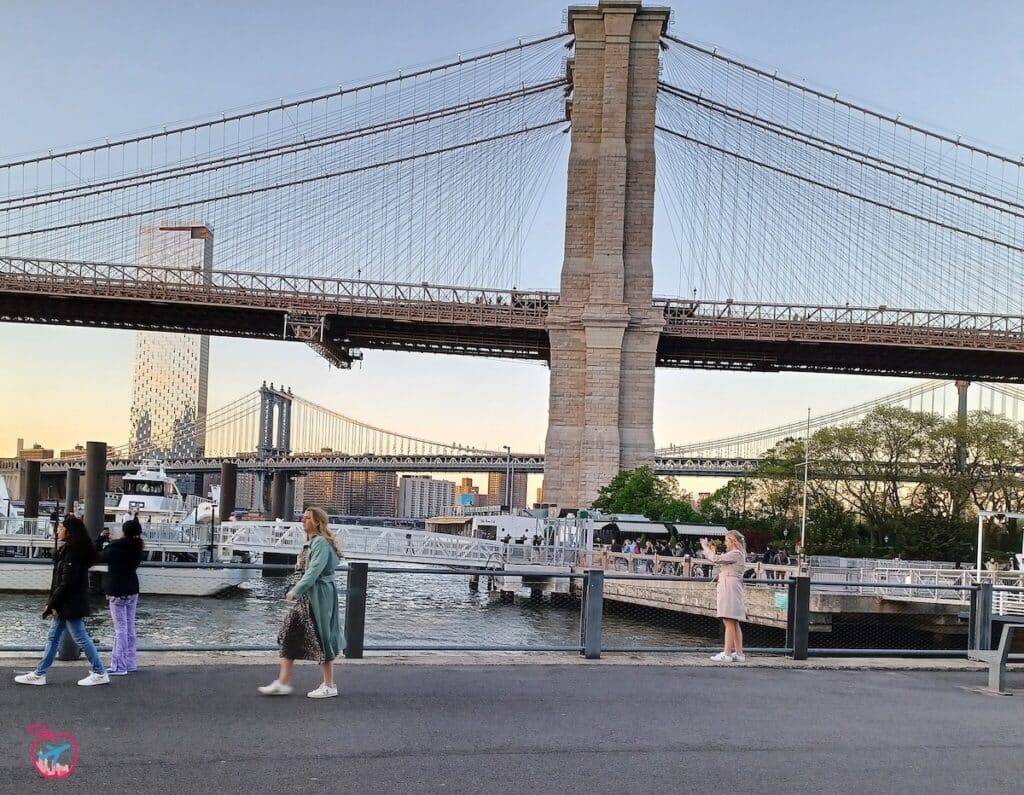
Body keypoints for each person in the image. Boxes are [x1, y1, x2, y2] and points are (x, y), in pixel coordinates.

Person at [259, 507, 344, 699]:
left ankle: (329, 685)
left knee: (321, 636)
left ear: (317, 522)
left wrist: (295, 591)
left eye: (307, 518)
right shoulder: (312, 542)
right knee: (288, 633)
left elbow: (314, 571)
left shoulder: (320, 542)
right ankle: (282, 682)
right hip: (307, 596)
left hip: (317, 596)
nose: (302, 521)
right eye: (302, 518)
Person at [15, 516, 109, 687]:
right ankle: (40, 673)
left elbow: (66, 583)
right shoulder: (72, 550)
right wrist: (53, 603)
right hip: (67, 603)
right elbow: (62, 582)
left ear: (69, 532)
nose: (57, 530)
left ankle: (99, 671)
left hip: (69, 604)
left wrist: (52, 604)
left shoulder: (72, 553)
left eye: (60, 527)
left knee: (80, 637)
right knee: (54, 637)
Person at [96, 518, 144, 675]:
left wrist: (102, 539)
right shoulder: (138, 547)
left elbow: (97, 556)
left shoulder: (116, 547)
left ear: (124, 531)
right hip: (132, 588)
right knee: (130, 627)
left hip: (117, 590)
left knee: (120, 629)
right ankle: (130, 662)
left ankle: (118, 665)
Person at [699, 530, 748, 662]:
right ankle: (739, 653)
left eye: (727, 540)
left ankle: (727, 654)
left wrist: (705, 548)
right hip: (732, 586)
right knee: (734, 621)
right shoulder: (737, 554)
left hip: (729, 587)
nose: (725, 543)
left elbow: (716, 559)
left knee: (729, 620)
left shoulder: (735, 554)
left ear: (733, 541)